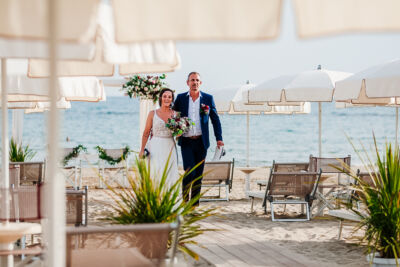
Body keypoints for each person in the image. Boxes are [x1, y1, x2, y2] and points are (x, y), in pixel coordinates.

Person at [173, 72, 224, 205]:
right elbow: (173, 117)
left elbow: (215, 119)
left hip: (202, 142)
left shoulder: (208, 98)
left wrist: (219, 138)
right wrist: (175, 131)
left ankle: (194, 204)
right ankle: (185, 201)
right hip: (186, 141)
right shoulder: (180, 98)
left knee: (198, 175)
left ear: (200, 83)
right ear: (187, 83)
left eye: (197, 80)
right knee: (189, 171)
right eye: (192, 80)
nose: (194, 82)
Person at [139, 88, 179, 188]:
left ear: (172, 99)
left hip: (170, 146)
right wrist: (142, 149)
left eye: (169, 97)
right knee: (155, 170)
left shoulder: (176, 115)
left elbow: (177, 135)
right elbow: (146, 133)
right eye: (165, 96)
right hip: (155, 146)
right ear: (160, 98)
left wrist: (179, 133)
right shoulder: (152, 113)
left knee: (170, 171)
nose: (167, 99)